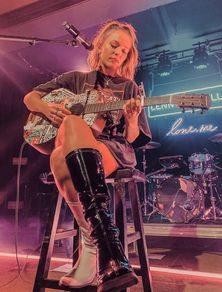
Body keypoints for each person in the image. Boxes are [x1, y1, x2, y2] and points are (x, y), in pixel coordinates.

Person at [23, 20, 151, 292]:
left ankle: (95, 244)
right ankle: (105, 246)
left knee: (62, 150)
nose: (118, 53)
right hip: (75, 150)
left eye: (125, 51)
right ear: (101, 44)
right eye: (114, 45)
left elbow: (131, 139)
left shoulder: (129, 88)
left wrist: (131, 119)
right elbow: (30, 98)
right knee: (61, 149)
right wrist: (47, 110)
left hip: (111, 149)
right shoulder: (76, 80)